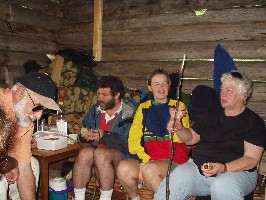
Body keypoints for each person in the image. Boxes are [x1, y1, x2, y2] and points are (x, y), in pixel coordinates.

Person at [154, 71, 266, 200]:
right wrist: (179, 128)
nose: (223, 93)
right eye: (222, 89)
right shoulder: (213, 112)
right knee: (179, 175)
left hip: (237, 173)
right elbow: (191, 138)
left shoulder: (253, 122)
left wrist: (223, 168)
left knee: (222, 185)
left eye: (229, 90)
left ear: (243, 95)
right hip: (200, 170)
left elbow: (251, 160)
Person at [116, 68, 190, 200]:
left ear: (169, 86)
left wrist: (176, 120)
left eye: (164, 83)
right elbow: (134, 139)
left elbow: (182, 140)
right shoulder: (143, 108)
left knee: (149, 170)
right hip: (149, 157)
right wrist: (144, 160)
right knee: (123, 168)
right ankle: (135, 198)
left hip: (173, 158)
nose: (161, 88)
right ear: (149, 87)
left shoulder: (179, 106)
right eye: (157, 84)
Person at [73, 75, 137, 200]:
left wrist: (105, 135)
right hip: (96, 155)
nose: (100, 98)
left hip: (122, 158)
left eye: (104, 95)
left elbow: (128, 144)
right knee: (85, 152)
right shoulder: (96, 109)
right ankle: (78, 197)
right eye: (98, 94)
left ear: (117, 95)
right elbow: (85, 127)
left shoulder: (130, 113)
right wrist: (86, 135)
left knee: (101, 154)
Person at [0, 72, 60, 200]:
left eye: (44, 111)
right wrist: (6, 164)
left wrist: (11, 162)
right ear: (20, 93)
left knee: (31, 164)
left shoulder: (24, 123)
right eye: (38, 107)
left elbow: (24, 167)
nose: (39, 116)